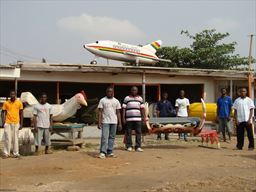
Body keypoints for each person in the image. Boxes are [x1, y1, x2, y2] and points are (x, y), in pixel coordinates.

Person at [98, 87, 122, 158]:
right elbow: (100, 112)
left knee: (112, 137)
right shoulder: (102, 100)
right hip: (105, 121)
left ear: (113, 92)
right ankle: (102, 152)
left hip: (114, 122)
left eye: (111, 92)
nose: (109, 93)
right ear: (106, 92)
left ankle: (110, 151)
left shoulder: (116, 101)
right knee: (104, 137)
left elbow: (118, 113)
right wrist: (99, 122)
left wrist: (120, 123)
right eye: (108, 91)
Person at [122, 86, 146, 152]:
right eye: (133, 90)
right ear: (131, 90)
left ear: (137, 91)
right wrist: (123, 118)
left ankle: (138, 146)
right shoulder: (127, 98)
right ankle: (129, 146)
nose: (134, 91)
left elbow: (142, 109)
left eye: (135, 90)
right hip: (129, 119)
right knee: (128, 133)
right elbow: (124, 109)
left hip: (138, 119)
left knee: (138, 132)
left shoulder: (140, 98)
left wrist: (144, 118)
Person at [1, 90, 23, 158]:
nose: (12, 95)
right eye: (11, 94)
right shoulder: (6, 103)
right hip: (8, 122)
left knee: (15, 138)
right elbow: (2, 112)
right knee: (7, 138)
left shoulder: (19, 103)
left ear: (15, 95)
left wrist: (21, 124)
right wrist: (3, 121)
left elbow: (21, 113)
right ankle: (6, 153)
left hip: (16, 122)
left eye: (13, 94)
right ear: (10, 95)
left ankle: (16, 153)